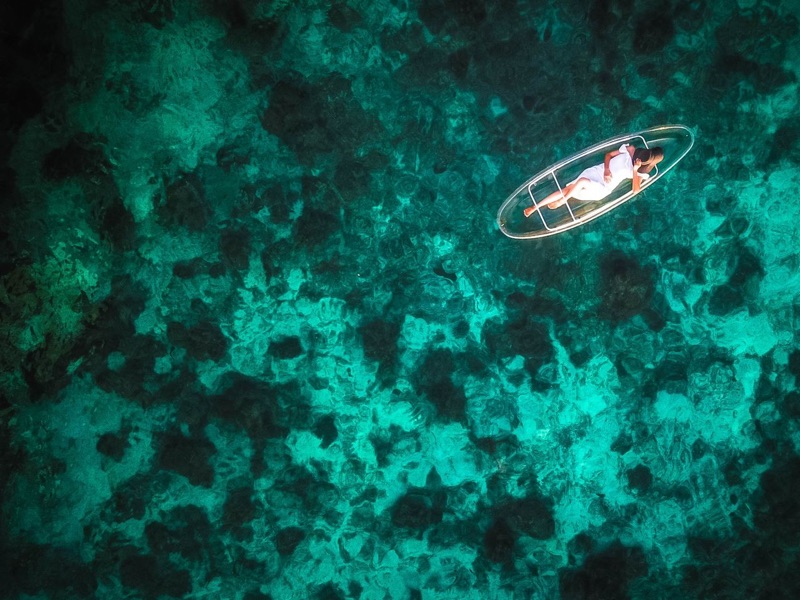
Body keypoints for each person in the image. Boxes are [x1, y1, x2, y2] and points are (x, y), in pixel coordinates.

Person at [523, 145, 664, 217]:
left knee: (581, 183)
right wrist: (607, 170)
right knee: (566, 189)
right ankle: (535, 208)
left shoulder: (640, 172)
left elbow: (635, 190)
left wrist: (635, 170)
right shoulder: (630, 149)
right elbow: (608, 155)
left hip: (604, 187)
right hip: (596, 172)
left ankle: (562, 201)